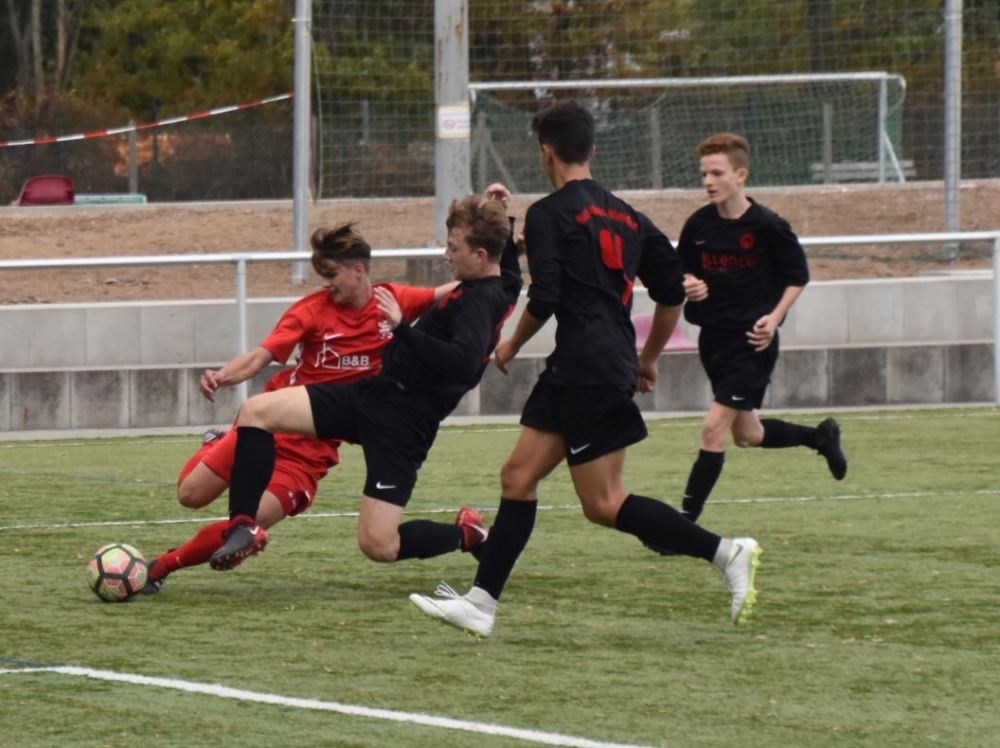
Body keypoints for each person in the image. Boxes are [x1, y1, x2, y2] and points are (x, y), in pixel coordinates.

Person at [409, 100, 762, 639]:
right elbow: (671, 294)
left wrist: (510, 344)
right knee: (517, 477)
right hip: (585, 366)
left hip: (589, 370)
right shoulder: (628, 216)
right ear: (592, 149)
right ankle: (481, 604)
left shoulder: (550, 213)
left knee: (604, 503)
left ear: (545, 153)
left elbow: (546, 294)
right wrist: (647, 357)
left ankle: (726, 552)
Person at [142, 222, 486, 593]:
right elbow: (259, 356)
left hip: (306, 456)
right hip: (267, 427)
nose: (325, 283)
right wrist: (222, 376)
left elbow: (461, 289)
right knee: (189, 495)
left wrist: (502, 250)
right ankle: (217, 443)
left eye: (331, 274)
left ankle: (160, 567)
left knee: (249, 523)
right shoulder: (311, 311)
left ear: (358, 270)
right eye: (322, 275)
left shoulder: (392, 301)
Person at [205, 185, 523, 572]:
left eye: (453, 249)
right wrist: (499, 214)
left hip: (403, 426)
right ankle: (243, 526)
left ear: (480, 255)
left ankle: (468, 535)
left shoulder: (478, 301)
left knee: (378, 544)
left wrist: (402, 328)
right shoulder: (503, 281)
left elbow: (462, 362)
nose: (445, 254)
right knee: (256, 411)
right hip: (372, 395)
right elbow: (506, 264)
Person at [674, 133, 847, 526]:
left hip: (752, 341)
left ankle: (682, 526)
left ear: (740, 175)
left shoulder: (769, 226)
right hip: (712, 339)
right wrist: (689, 282)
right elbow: (681, 270)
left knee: (713, 429)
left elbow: (797, 276)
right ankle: (819, 437)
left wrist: (774, 316)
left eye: (717, 173)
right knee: (747, 435)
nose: (708, 181)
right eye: (704, 174)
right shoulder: (698, 224)